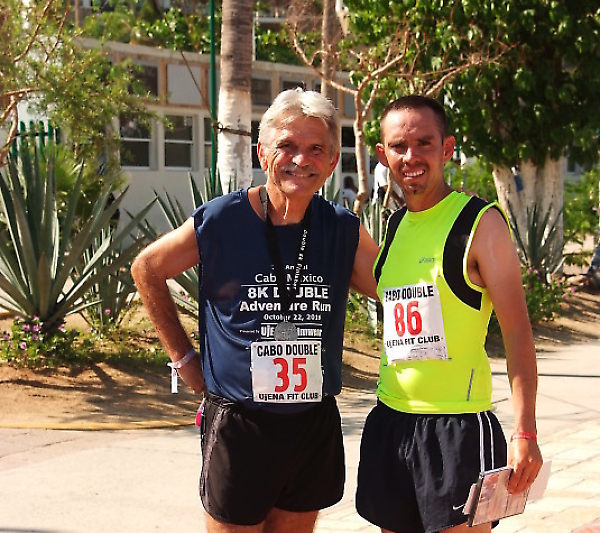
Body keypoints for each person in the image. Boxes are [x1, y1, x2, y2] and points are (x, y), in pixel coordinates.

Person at [131, 88, 379, 533]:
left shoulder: (342, 229)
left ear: (331, 163)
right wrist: (183, 359)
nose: (300, 159)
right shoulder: (222, 220)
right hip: (240, 420)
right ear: (262, 152)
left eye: (316, 149)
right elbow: (147, 268)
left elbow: (396, 290)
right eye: (287, 145)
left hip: (312, 422)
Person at [355, 95, 543, 533]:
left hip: (456, 428)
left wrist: (526, 432)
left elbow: (517, 331)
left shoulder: (480, 223)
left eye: (424, 143)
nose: (411, 156)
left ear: (447, 148)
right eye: (399, 146)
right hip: (391, 420)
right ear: (382, 155)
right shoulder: (394, 226)